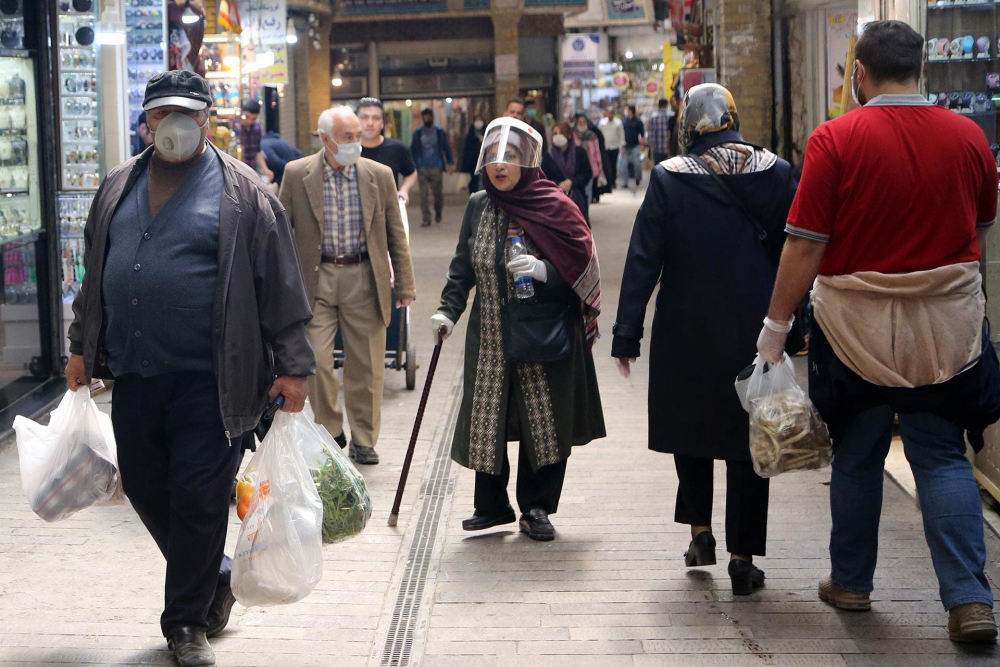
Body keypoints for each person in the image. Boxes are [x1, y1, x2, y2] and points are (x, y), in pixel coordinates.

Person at [758, 20, 999, 642]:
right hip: (946, 328)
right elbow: (981, 221)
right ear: (920, 68)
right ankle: (970, 600)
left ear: (859, 74)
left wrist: (776, 325)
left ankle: (853, 583)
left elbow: (805, 244)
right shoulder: (968, 136)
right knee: (942, 455)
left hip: (853, 325)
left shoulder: (835, 140)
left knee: (859, 456)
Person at [64, 70, 314, 667]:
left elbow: (280, 286)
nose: (172, 124)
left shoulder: (245, 192)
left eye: (186, 113)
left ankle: (185, 625)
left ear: (207, 119)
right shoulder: (118, 185)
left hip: (214, 378)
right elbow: (93, 273)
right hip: (135, 372)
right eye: (160, 114)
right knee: (147, 487)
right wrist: (80, 345)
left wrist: (295, 367)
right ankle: (215, 575)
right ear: (146, 122)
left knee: (199, 497)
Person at [612, 83, 796, 596]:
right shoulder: (777, 172)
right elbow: (795, 251)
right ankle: (742, 557)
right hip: (755, 327)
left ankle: (700, 536)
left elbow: (644, 258)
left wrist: (627, 333)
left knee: (690, 430)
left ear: (687, 126)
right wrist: (793, 325)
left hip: (685, 327)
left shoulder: (669, 178)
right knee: (749, 440)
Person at [431, 118, 605, 541]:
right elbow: (461, 270)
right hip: (490, 334)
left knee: (544, 421)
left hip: (544, 333)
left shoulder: (556, 206)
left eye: (510, 156)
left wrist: (547, 271)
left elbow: (584, 269)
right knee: (487, 418)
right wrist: (447, 311)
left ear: (528, 160)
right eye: (492, 156)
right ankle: (491, 507)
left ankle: (537, 507)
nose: (500, 165)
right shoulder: (478, 205)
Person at [281, 106, 417, 466]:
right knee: (318, 362)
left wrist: (404, 283)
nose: (356, 143)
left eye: (358, 136)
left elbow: (395, 235)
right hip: (316, 278)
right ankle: (330, 430)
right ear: (325, 139)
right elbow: (280, 233)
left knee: (367, 366)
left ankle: (364, 439)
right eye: (348, 137)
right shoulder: (297, 174)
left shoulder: (379, 174)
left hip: (363, 277)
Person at [358, 97, 418, 204]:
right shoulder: (347, 150)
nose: (370, 123)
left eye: (376, 118)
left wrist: (404, 190)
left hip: (387, 210)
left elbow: (411, 173)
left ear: (382, 123)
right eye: (364, 117)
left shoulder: (398, 148)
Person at [410, 108, 454, 227]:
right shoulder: (418, 133)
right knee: (423, 195)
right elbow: (413, 150)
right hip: (422, 168)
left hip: (436, 167)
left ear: (432, 117)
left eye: (428, 117)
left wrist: (450, 163)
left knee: (437, 194)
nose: (426, 119)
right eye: (424, 117)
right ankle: (426, 218)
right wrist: (413, 165)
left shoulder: (439, 132)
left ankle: (438, 213)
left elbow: (446, 148)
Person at [542, 121, 592, 222]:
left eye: (561, 133)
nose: (558, 137)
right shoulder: (549, 156)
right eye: (555, 134)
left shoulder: (579, 153)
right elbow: (543, 177)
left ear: (569, 135)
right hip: (555, 201)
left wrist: (572, 182)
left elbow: (587, 173)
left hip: (577, 199)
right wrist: (558, 184)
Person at [233, 99, 274, 182]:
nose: (249, 121)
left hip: (252, 171)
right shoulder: (236, 126)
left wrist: (265, 169)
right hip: (236, 171)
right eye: (247, 117)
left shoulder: (257, 128)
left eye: (253, 119)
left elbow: (257, 151)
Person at [572, 113, 605, 204]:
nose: (582, 124)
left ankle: (586, 209)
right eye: (580, 122)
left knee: (588, 190)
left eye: (584, 122)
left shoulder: (592, 136)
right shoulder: (573, 136)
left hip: (590, 166)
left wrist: (599, 163)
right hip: (576, 167)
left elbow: (597, 151)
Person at [598, 107, 624, 191]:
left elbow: (621, 134)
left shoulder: (618, 123)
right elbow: (599, 134)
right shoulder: (602, 123)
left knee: (613, 165)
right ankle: (608, 182)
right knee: (606, 166)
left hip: (614, 147)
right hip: (605, 147)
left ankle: (613, 182)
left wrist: (623, 144)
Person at [622, 105, 645, 188]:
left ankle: (637, 177)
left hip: (635, 145)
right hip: (625, 146)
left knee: (637, 163)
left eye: (627, 110)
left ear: (631, 111)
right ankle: (625, 182)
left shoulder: (638, 122)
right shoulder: (624, 121)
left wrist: (642, 145)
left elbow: (642, 134)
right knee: (624, 165)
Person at [462, 115, 486, 193]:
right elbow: (467, 148)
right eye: (477, 120)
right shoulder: (471, 134)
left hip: (484, 160)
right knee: (475, 178)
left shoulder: (486, 132)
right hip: (473, 161)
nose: (478, 122)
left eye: (480, 120)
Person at [647, 98, 671, 164]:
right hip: (668, 149)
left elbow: (651, 135)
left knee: (658, 169)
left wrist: (650, 148)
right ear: (666, 105)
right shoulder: (671, 116)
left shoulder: (653, 116)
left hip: (657, 149)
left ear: (659, 105)